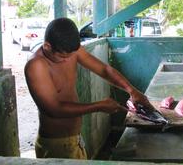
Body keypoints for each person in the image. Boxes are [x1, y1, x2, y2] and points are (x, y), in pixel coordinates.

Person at [25, 17, 153, 159]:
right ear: (47, 46)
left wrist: (132, 90)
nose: (67, 60)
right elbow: (54, 109)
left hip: (76, 140)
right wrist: (99, 106)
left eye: (71, 55)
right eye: (62, 56)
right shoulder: (36, 66)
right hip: (56, 145)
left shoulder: (71, 50)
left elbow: (104, 70)